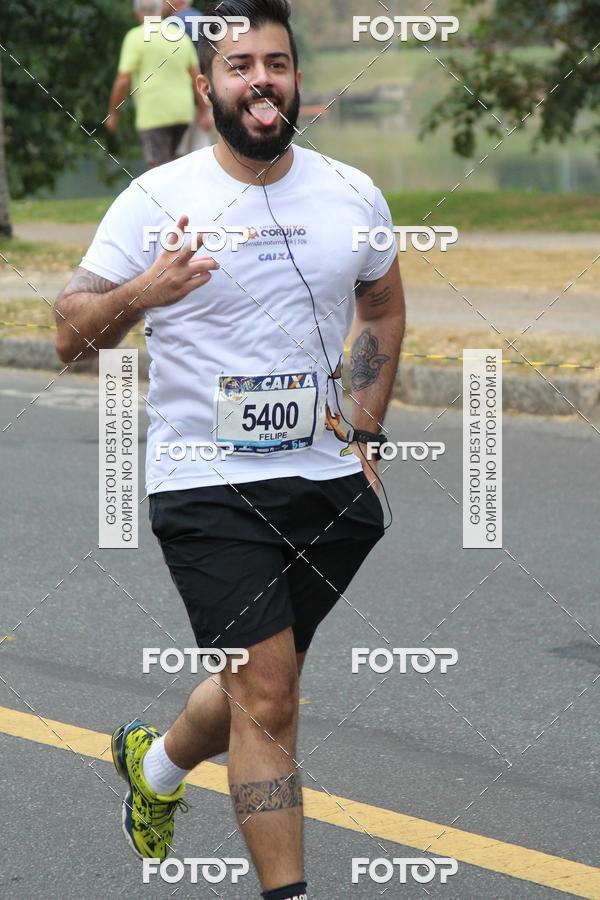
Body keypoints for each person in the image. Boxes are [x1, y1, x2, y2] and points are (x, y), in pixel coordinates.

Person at [54, 1, 405, 898]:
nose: (261, 81)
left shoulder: (352, 192)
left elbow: (380, 304)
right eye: (240, 65)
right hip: (205, 483)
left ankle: (155, 767)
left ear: (298, 78)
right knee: (272, 694)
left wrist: (366, 427)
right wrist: (143, 291)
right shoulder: (156, 197)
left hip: (326, 480)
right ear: (206, 85)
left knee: (256, 682)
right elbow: (68, 335)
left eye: (275, 63)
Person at [106, 0, 205, 168]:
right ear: (161, 12)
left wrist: (112, 113)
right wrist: (203, 111)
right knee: (176, 166)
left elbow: (123, 81)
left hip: (153, 114)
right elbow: (197, 77)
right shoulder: (179, 35)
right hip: (183, 113)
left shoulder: (135, 37)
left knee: (157, 170)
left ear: (136, 14)